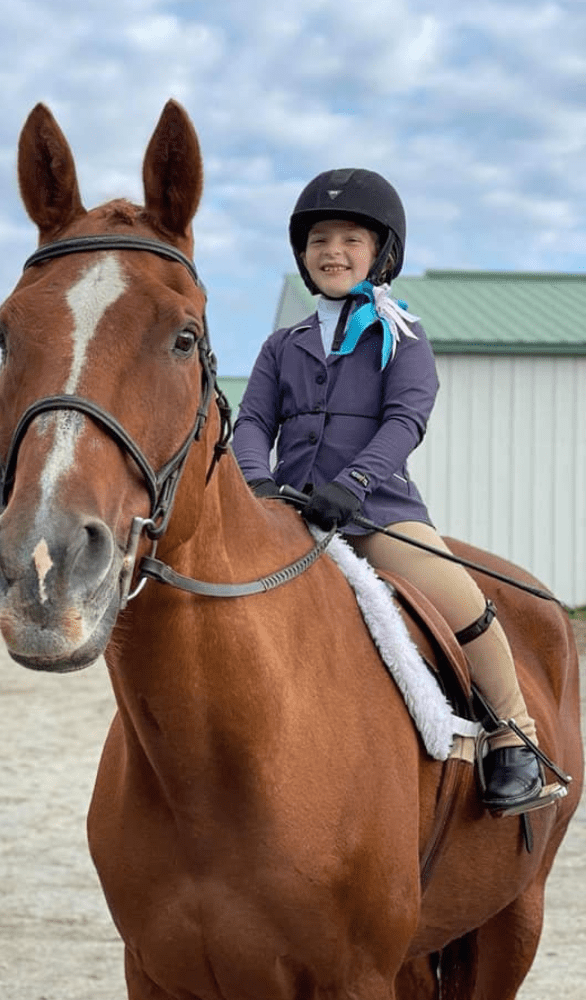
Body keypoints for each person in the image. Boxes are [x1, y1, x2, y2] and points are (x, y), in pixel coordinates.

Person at [232, 167, 547, 814]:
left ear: (381, 254)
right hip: (288, 514)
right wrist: (259, 485)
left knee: (467, 606)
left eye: (351, 239)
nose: (333, 252)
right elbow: (253, 423)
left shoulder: (401, 334)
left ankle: (515, 737)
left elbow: (406, 420)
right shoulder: (279, 346)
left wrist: (354, 483)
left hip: (376, 514)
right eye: (320, 238)